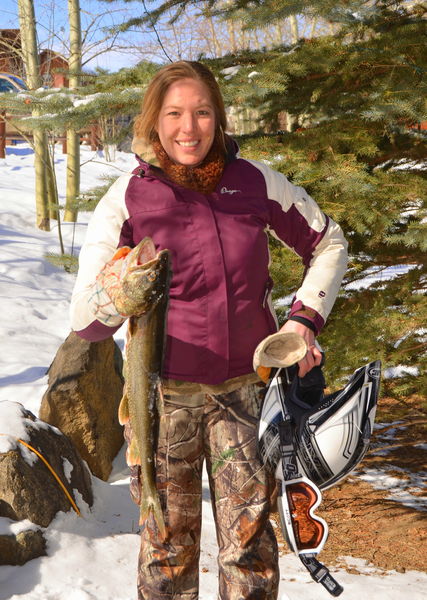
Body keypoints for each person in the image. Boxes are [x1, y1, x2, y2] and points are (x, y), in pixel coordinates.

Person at [70, 60, 348, 600]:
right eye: (174, 114)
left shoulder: (254, 182)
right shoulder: (127, 197)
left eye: (201, 113)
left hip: (246, 393)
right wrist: (117, 293)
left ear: (218, 118)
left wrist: (303, 319)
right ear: (154, 122)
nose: (188, 128)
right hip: (161, 401)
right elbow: (85, 320)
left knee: (249, 550)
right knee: (166, 552)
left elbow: (329, 242)